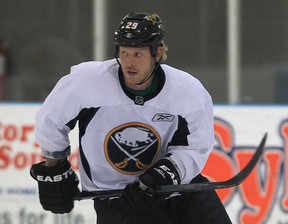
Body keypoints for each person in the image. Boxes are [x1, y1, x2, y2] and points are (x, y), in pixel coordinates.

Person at [30, 12, 232, 224]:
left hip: (177, 188)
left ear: (158, 53)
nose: (129, 62)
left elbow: (196, 146)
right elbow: (50, 121)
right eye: (124, 53)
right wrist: (55, 165)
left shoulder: (188, 92)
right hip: (116, 197)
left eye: (137, 54)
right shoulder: (87, 83)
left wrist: (167, 173)